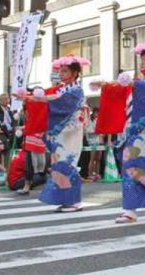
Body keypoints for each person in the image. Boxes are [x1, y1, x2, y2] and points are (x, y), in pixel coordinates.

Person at [91, 40, 145, 224]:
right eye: (142, 60)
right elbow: (122, 90)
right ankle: (130, 210)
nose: (142, 63)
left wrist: (130, 83)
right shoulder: (138, 83)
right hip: (134, 129)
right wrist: (105, 84)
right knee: (129, 167)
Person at [15, 55, 90, 212]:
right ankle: (69, 200)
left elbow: (56, 100)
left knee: (67, 163)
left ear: (75, 73)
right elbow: (49, 96)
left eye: (65, 71)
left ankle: (73, 202)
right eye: (60, 71)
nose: (61, 74)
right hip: (62, 133)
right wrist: (29, 96)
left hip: (70, 131)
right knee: (60, 164)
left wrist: (32, 97)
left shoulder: (75, 90)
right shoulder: (63, 88)